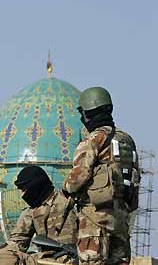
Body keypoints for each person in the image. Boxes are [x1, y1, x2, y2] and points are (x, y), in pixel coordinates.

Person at [62, 87, 140, 265]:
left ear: (87, 113)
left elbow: (77, 178)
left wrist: (65, 187)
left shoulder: (93, 140)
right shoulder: (126, 140)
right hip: (120, 220)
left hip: (96, 219)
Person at [0, 165, 77, 265]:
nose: (22, 195)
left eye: (24, 189)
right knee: (12, 257)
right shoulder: (30, 213)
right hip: (48, 261)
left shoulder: (68, 200)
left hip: (78, 258)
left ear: (36, 185)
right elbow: (14, 246)